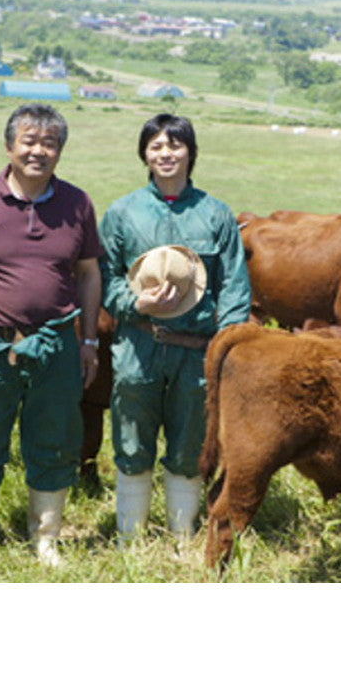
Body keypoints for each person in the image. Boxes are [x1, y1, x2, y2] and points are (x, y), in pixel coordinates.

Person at [0, 104, 101, 567]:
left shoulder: (77, 203)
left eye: (49, 143)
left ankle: (46, 538)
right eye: (29, 141)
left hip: (56, 344)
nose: (38, 151)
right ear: (9, 146)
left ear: (60, 152)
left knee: (55, 439)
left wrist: (88, 340)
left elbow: (89, 274)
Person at [98, 113, 251, 543]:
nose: (166, 154)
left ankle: (181, 537)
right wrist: (133, 301)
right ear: (144, 154)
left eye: (175, 145)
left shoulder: (216, 214)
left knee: (190, 446)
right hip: (138, 343)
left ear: (191, 152)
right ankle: (131, 540)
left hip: (197, 348)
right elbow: (104, 277)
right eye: (156, 146)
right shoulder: (122, 213)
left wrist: (229, 349)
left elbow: (235, 286)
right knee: (131, 441)